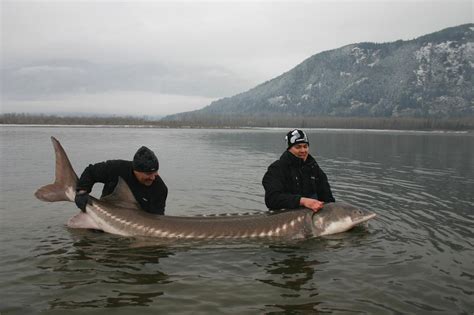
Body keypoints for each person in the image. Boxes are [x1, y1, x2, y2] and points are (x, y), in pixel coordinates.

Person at [74, 146, 168, 215]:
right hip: (105, 211)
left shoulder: (160, 189)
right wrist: (81, 191)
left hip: (135, 220)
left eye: (155, 172)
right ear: (136, 170)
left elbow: (157, 216)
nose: (153, 178)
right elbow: (91, 172)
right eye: (148, 174)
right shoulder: (117, 168)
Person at [262, 129, 335, 212]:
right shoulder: (277, 168)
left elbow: (328, 199)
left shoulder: (314, 168)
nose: (303, 150)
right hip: (282, 217)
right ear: (289, 149)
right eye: (298, 147)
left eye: (305, 146)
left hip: (311, 216)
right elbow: (272, 199)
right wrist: (302, 201)